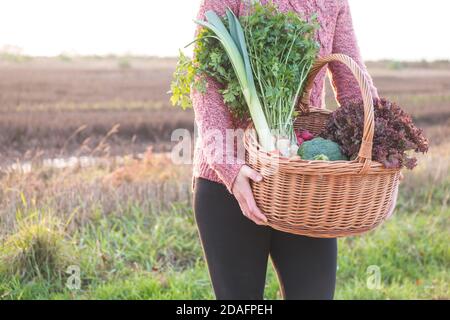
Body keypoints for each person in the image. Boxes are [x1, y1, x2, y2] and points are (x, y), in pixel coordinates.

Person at [192, 0, 379, 300]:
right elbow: (205, 80)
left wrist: (380, 155)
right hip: (228, 184)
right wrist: (228, 164)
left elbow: (351, 81)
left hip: (302, 185)